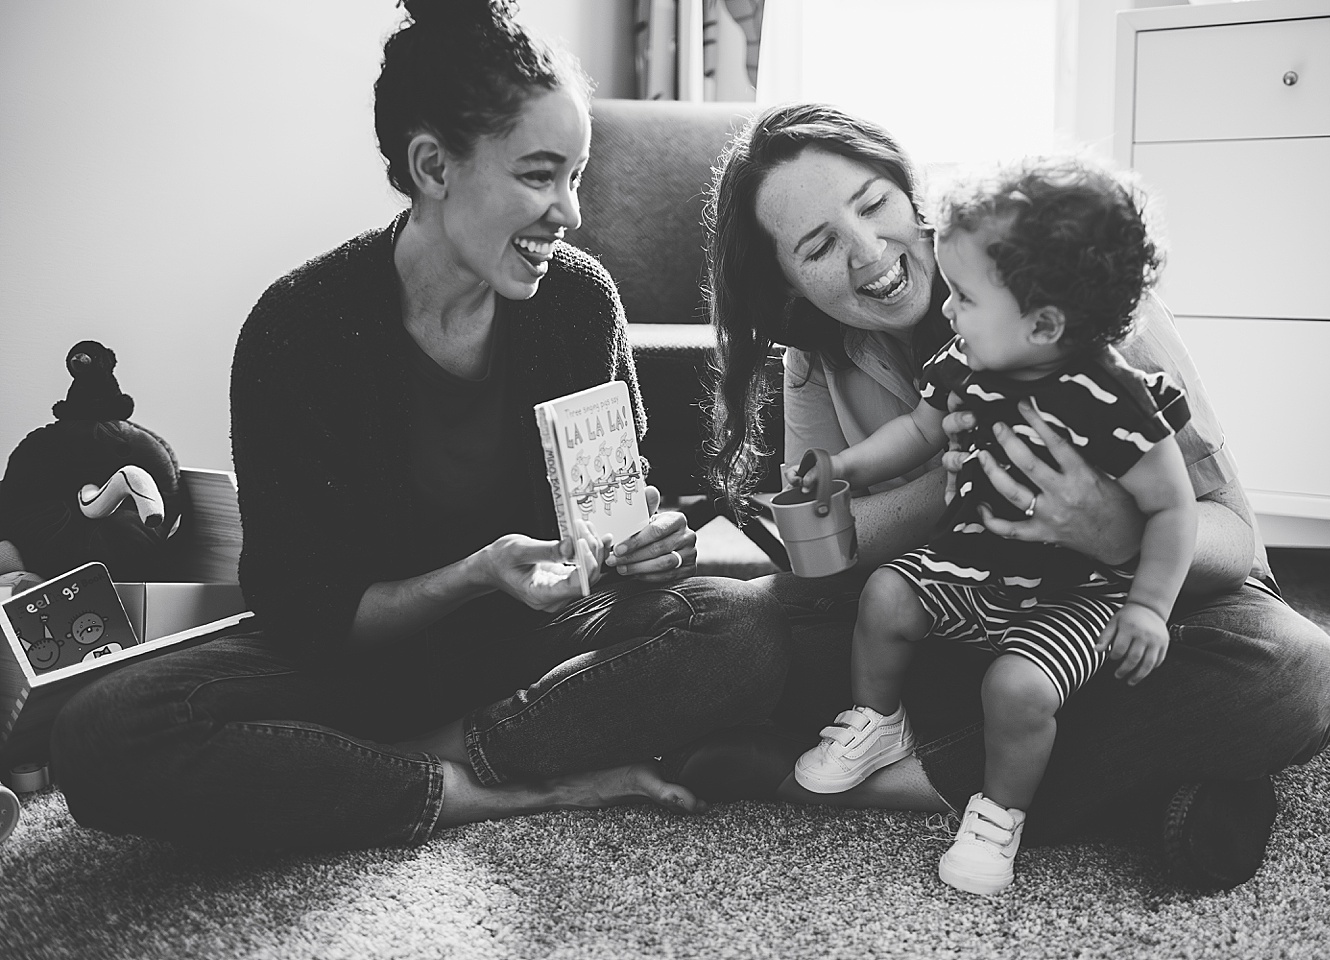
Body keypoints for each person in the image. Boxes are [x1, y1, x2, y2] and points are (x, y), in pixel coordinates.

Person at [47, 0, 790, 851]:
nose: (571, 212)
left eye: (577, 176)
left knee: (744, 629)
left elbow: (607, 534)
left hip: (528, 648)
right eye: (541, 175)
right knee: (101, 734)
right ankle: (508, 786)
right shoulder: (299, 328)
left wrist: (647, 546)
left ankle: (380, 772)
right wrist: (474, 573)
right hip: (353, 666)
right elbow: (304, 617)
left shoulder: (580, 304)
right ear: (435, 165)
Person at [693, 102, 1330, 892]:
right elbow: (830, 562)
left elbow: (1232, 542)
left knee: (1293, 672)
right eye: (821, 245)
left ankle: (908, 789)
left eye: (873, 206)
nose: (869, 254)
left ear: (912, 193)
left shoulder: (1075, 304)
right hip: (964, 597)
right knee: (762, 631)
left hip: (1133, 605)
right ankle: (1149, 780)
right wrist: (924, 486)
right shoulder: (818, 355)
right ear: (787, 280)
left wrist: (1116, 535)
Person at [788, 156, 1198, 895]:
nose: (948, 310)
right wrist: (842, 467)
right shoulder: (963, 364)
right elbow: (916, 434)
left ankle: (999, 814)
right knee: (884, 595)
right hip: (972, 565)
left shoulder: (1118, 402)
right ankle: (880, 720)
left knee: (1017, 690)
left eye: (966, 296)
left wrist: (1148, 608)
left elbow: (1175, 507)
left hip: (1074, 596)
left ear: (1044, 323)